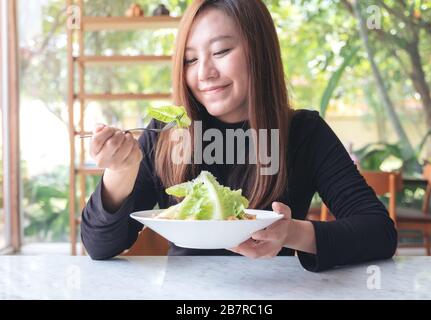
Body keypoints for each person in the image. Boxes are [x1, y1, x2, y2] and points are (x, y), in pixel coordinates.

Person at [81, 0, 397, 272]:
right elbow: (98, 246)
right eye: (191, 59)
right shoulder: (165, 133)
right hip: (186, 296)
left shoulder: (304, 133)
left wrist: (289, 234)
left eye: (221, 51)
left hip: (278, 291)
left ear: (259, 51)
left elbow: (379, 233)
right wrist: (120, 173)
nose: (204, 72)